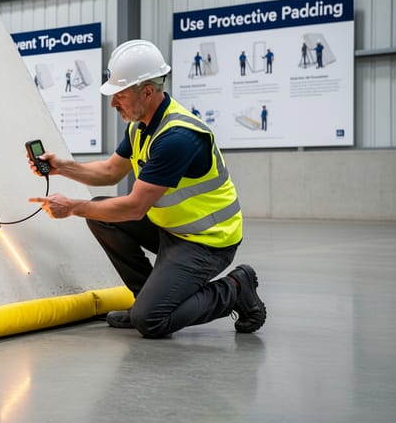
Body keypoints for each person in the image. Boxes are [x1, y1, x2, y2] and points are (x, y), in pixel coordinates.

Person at [28, 39, 266, 339]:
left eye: (121, 96)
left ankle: (236, 288)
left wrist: (72, 207)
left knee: (151, 321)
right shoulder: (140, 125)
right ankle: (147, 299)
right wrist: (62, 166)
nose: (114, 103)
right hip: (171, 230)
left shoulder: (177, 137)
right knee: (100, 213)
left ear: (148, 91)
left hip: (206, 241)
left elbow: (134, 207)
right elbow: (111, 171)